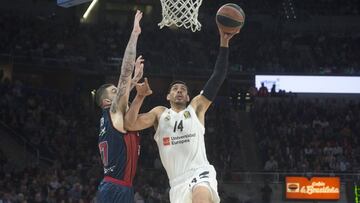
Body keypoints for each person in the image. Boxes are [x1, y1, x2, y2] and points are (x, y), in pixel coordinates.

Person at [124, 27, 239, 203]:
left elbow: (218, 76)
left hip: (201, 173)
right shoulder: (159, 113)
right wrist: (139, 97)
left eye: (183, 90)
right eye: (175, 89)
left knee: (201, 195)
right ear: (168, 96)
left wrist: (224, 43)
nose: (179, 91)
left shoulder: (196, 108)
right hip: (177, 184)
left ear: (187, 96)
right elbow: (129, 124)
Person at [94, 10, 144, 203]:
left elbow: (125, 85)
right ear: (106, 102)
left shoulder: (112, 118)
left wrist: (136, 79)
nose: (121, 92)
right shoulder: (113, 111)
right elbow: (124, 73)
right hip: (116, 188)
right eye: (115, 92)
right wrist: (134, 34)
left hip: (119, 186)